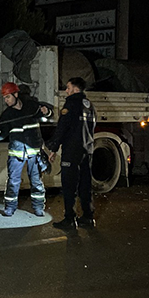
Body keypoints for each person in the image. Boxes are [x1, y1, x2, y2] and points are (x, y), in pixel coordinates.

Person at [0, 82, 52, 217]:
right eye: (4, 98)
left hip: (34, 152)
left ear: (16, 94)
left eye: (8, 97)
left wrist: (47, 112)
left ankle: (38, 208)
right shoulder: (6, 115)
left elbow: (47, 114)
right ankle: (10, 208)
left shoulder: (31, 107)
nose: (6, 100)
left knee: (36, 181)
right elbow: (1, 135)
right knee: (13, 182)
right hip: (16, 153)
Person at [46, 77, 97, 230]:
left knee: (69, 185)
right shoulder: (89, 105)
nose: (66, 91)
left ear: (75, 89)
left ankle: (70, 219)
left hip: (72, 150)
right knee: (85, 185)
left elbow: (62, 127)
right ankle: (88, 217)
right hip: (87, 150)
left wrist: (53, 148)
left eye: (68, 88)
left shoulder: (71, 103)